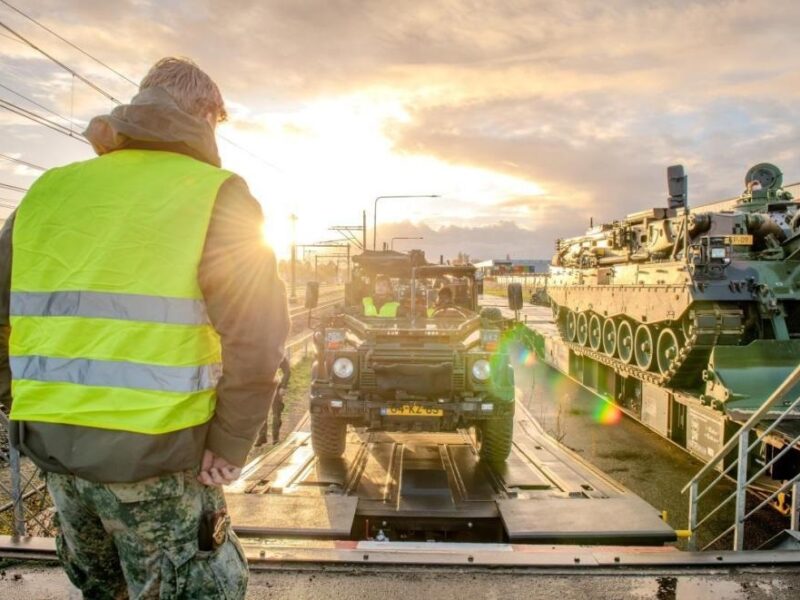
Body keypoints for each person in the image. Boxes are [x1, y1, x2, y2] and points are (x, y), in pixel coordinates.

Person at [0, 57, 289, 599]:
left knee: (102, 591)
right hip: (157, 458)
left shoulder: (46, 191)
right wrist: (229, 442)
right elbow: (256, 335)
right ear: (206, 115)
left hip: (56, 455)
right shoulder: (217, 194)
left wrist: (17, 398)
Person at [255, 355, 291, 446]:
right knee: (261, 413)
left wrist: (283, 386)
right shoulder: (257, 353)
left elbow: (287, 371)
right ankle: (262, 436)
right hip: (262, 387)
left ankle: (275, 438)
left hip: (276, 386)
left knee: (276, 413)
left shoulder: (278, 352)